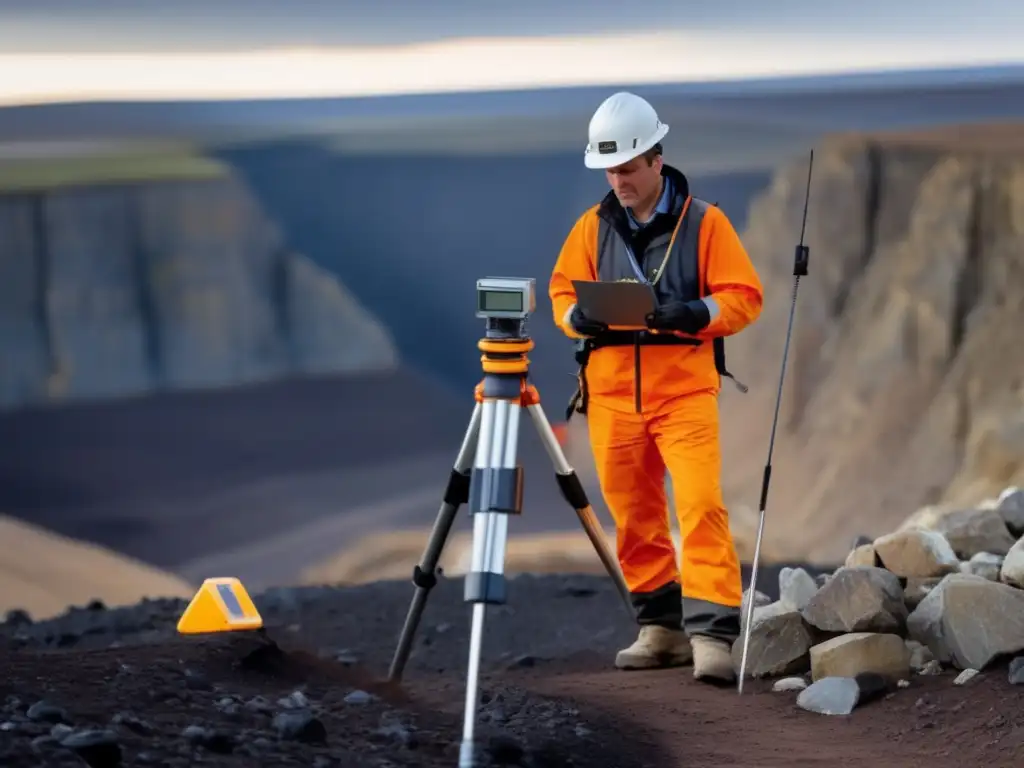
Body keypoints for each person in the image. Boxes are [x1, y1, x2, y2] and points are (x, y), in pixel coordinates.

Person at [548, 91, 764, 684]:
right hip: (613, 397)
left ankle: (713, 635)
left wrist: (694, 313)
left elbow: (744, 297)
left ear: (656, 159)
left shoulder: (705, 222)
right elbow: (562, 293)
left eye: (626, 168)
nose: (618, 180)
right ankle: (661, 629)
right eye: (610, 170)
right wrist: (577, 320)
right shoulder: (592, 228)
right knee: (634, 516)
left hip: (684, 393)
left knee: (700, 506)